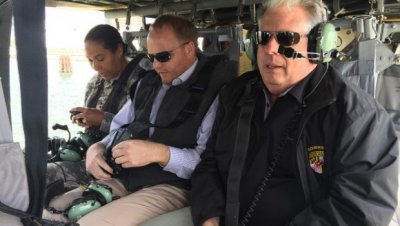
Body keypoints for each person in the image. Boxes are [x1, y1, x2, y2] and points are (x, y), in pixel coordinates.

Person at [190, 1, 399, 226]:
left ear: (318, 44)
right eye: (263, 37)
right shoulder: (235, 95)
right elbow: (209, 163)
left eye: (286, 38)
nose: (270, 49)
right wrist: (209, 216)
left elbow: (358, 210)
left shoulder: (358, 117)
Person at [43, 14, 236, 226]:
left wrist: (159, 153)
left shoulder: (218, 91)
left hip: (175, 185)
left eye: (163, 56)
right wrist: (96, 148)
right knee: (50, 213)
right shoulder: (148, 83)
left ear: (189, 48)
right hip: (128, 176)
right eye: (151, 56)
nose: (156, 65)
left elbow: (208, 163)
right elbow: (119, 126)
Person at [46, 24, 150, 185]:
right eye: (90, 60)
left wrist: (103, 120)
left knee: (44, 175)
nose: (95, 66)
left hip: (114, 166)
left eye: (100, 58)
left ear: (119, 50)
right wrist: (85, 118)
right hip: (88, 153)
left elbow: (144, 134)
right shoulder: (94, 83)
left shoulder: (144, 84)